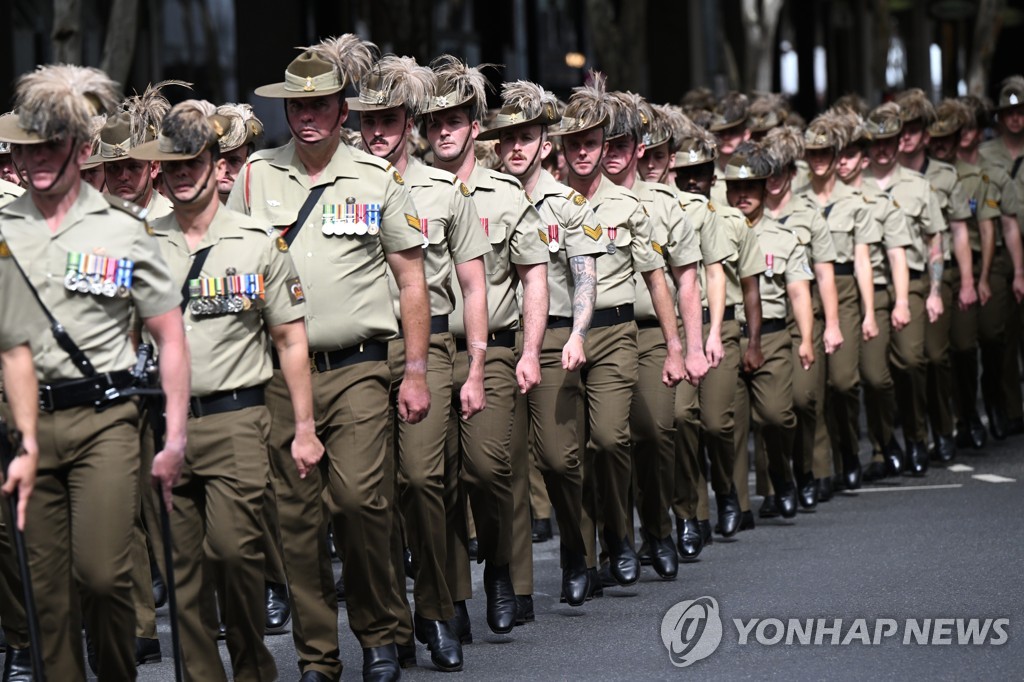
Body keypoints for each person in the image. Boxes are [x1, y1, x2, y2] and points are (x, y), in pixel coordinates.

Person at [228, 35, 431, 682]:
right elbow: (231, 261)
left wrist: (418, 370)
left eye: (321, 103)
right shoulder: (256, 176)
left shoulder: (376, 178)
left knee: (359, 502)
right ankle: (320, 655)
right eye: (297, 105)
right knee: (297, 519)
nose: (308, 115)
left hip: (357, 369)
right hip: (278, 379)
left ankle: (378, 631)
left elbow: (411, 281)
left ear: (344, 109)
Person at [0, 63, 190, 681]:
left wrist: (178, 435)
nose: (39, 158)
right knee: (47, 596)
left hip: (106, 419)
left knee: (104, 577)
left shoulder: (123, 230)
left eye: (52, 144)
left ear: (82, 149)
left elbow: (168, 334)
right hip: (27, 426)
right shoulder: (3, 234)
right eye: (27, 147)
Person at [132, 98, 322, 681]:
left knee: (236, 554)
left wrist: (305, 429)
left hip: (236, 420)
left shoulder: (258, 241)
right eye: (172, 164)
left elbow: (291, 341)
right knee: (185, 572)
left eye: (194, 161)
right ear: (159, 171)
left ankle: (251, 664)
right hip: (164, 427)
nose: (182, 172)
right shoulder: (140, 243)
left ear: (215, 164)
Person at [350, 54, 490, 672]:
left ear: (410, 123)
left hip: (427, 347)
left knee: (421, 480)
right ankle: (389, 622)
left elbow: (473, 281)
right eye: (367, 121)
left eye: (389, 120)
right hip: (356, 354)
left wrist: (478, 363)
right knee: (366, 497)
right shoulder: (343, 185)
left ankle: (436, 609)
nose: (378, 132)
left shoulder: (440, 189)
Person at [420, 55, 549, 639]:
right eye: (433, 122)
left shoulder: (504, 192)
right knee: (432, 479)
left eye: (455, 120)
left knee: (486, 467)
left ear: (476, 126)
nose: (443, 130)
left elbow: (532, 274)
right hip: (424, 352)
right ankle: (452, 596)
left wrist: (529, 349)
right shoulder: (406, 191)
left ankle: (500, 563)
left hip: (491, 348)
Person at [480, 79, 607, 608]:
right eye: (507, 137)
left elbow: (585, 277)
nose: (516, 147)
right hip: (496, 340)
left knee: (558, 460)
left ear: (544, 144)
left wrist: (578, 333)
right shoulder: (478, 198)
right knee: (503, 466)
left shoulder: (566, 204)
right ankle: (515, 583)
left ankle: (579, 551)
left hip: (555, 338)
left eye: (526, 136)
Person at [602, 91, 707, 578]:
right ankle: (615, 539)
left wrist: (689, 344)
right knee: (604, 442)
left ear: (640, 148)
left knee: (656, 431)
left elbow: (687, 280)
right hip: (600, 332)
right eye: (608, 142)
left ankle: (659, 527)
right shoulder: (579, 200)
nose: (614, 152)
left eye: (624, 143)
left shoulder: (666, 205)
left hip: (649, 333)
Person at [669, 130, 763, 547]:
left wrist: (742, 337)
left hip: (717, 323)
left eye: (701, 172)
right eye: (684, 172)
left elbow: (747, 286)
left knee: (717, 422)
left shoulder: (728, 219)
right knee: (682, 420)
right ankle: (691, 513)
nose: (692, 180)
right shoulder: (664, 210)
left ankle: (727, 490)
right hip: (674, 325)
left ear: (713, 175)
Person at [725, 141, 815, 519]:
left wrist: (807, 339)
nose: (743, 195)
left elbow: (798, 292)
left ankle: (782, 474)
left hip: (775, 336)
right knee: (727, 424)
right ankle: (738, 505)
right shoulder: (713, 232)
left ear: (765, 189)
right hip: (728, 332)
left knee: (777, 416)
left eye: (751, 188)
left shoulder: (784, 237)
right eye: (736, 188)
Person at [797, 111, 883, 494]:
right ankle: (820, 468)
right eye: (811, 153)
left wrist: (868, 311)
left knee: (844, 381)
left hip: (845, 289)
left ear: (836, 155)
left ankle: (849, 450)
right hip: (805, 289)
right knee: (810, 387)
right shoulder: (796, 201)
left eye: (824, 153)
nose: (818, 160)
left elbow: (863, 258)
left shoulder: (856, 201)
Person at [862, 102, 946, 476]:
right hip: (868, 288)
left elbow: (934, 242)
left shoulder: (918, 186)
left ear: (899, 142)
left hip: (910, 283)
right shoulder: (854, 184)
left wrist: (935, 291)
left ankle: (915, 436)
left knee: (911, 361)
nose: (882, 148)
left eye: (889, 141)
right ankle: (883, 446)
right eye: (875, 142)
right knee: (873, 375)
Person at [762, 125, 841, 510]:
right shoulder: (747, 215)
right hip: (764, 319)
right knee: (768, 409)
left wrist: (833, 324)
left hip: (802, 318)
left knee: (805, 397)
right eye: (768, 172)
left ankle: (811, 468)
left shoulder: (809, 216)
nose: (774, 181)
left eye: (781, 172)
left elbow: (824, 274)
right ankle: (776, 486)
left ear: (793, 173)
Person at [895, 89, 974, 462]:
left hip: (937, 276)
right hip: (900, 280)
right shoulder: (884, 176)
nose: (906, 135)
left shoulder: (944, 176)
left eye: (914, 129)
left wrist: (967, 282)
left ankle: (945, 427)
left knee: (937, 356)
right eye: (901, 129)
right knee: (910, 363)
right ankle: (915, 434)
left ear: (927, 134)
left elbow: (958, 230)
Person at [961, 93, 1024, 443]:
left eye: (974, 126)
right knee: (976, 341)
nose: (1015, 118)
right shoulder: (957, 168)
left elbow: (1009, 222)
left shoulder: (992, 170)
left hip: (999, 257)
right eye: (1008, 112)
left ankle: (1000, 404)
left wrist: (1018, 271)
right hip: (967, 262)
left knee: (998, 335)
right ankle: (980, 410)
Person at [96, 81, 187, 220]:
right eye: (113, 168)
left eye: (133, 167)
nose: (123, 176)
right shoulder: (94, 222)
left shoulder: (177, 221)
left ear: (154, 168)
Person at [216, 103, 264, 204]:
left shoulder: (262, 205)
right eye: (217, 160)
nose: (224, 169)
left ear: (248, 162)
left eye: (233, 161)